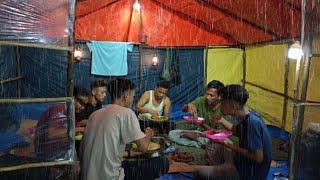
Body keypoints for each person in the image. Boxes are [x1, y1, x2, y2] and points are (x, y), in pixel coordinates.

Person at [80, 78, 154, 180]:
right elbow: (143, 148)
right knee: (161, 163)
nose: (133, 99)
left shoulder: (94, 114)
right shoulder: (126, 113)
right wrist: (149, 134)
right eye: (133, 96)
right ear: (126, 96)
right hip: (110, 177)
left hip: (87, 176)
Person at [216, 84, 272, 179]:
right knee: (216, 147)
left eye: (222, 102)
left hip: (252, 174)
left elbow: (258, 158)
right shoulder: (248, 116)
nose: (219, 105)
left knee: (202, 171)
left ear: (233, 106)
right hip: (246, 166)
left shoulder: (251, 122)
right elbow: (236, 130)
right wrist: (221, 120)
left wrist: (228, 145)